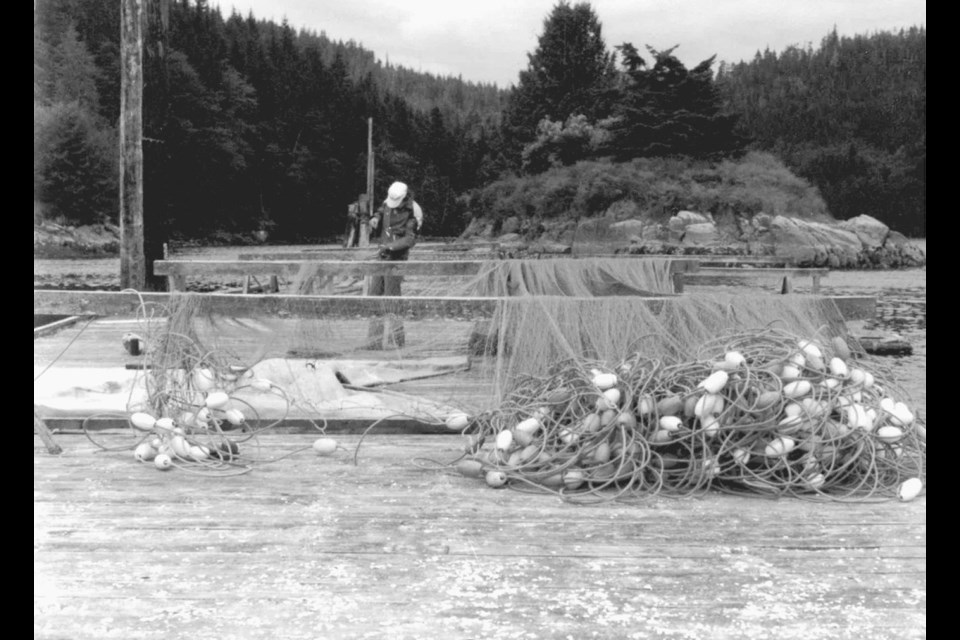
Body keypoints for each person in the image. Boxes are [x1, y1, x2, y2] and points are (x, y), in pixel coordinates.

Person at [364, 181, 423, 349]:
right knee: (374, 295)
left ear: (405, 198)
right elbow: (382, 210)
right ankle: (373, 342)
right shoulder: (387, 203)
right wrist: (375, 218)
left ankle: (397, 341)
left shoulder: (414, 211)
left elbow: (410, 239)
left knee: (392, 298)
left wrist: (391, 247)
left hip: (397, 258)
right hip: (382, 255)